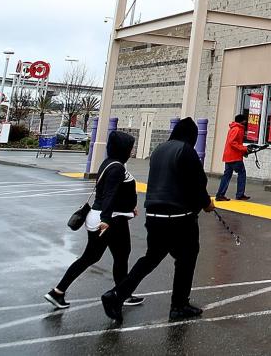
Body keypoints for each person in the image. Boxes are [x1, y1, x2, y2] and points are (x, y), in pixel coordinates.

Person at [101, 117, 213, 323]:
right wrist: (207, 204)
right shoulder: (186, 151)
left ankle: (117, 295)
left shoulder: (159, 150)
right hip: (179, 217)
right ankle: (179, 305)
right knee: (186, 259)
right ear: (192, 136)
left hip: (153, 215)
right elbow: (197, 183)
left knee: (150, 258)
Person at [45, 130, 145, 309]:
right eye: (129, 148)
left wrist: (130, 207)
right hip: (109, 220)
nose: (131, 151)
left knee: (108, 256)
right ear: (122, 148)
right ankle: (120, 293)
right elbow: (109, 195)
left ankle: (59, 291)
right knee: (111, 256)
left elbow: (116, 192)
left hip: (109, 217)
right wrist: (106, 219)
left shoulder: (111, 163)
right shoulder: (116, 167)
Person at [215, 112, 251, 202]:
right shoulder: (237, 129)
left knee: (227, 175)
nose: (246, 122)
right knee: (242, 173)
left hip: (229, 156)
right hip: (234, 157)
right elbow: (233, 142)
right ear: (242, 121)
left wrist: (243, 151)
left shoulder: (233, 128)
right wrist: (244, 148)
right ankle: (240, 194)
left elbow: (233, 143)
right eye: (245, 120)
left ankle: (220, 194)